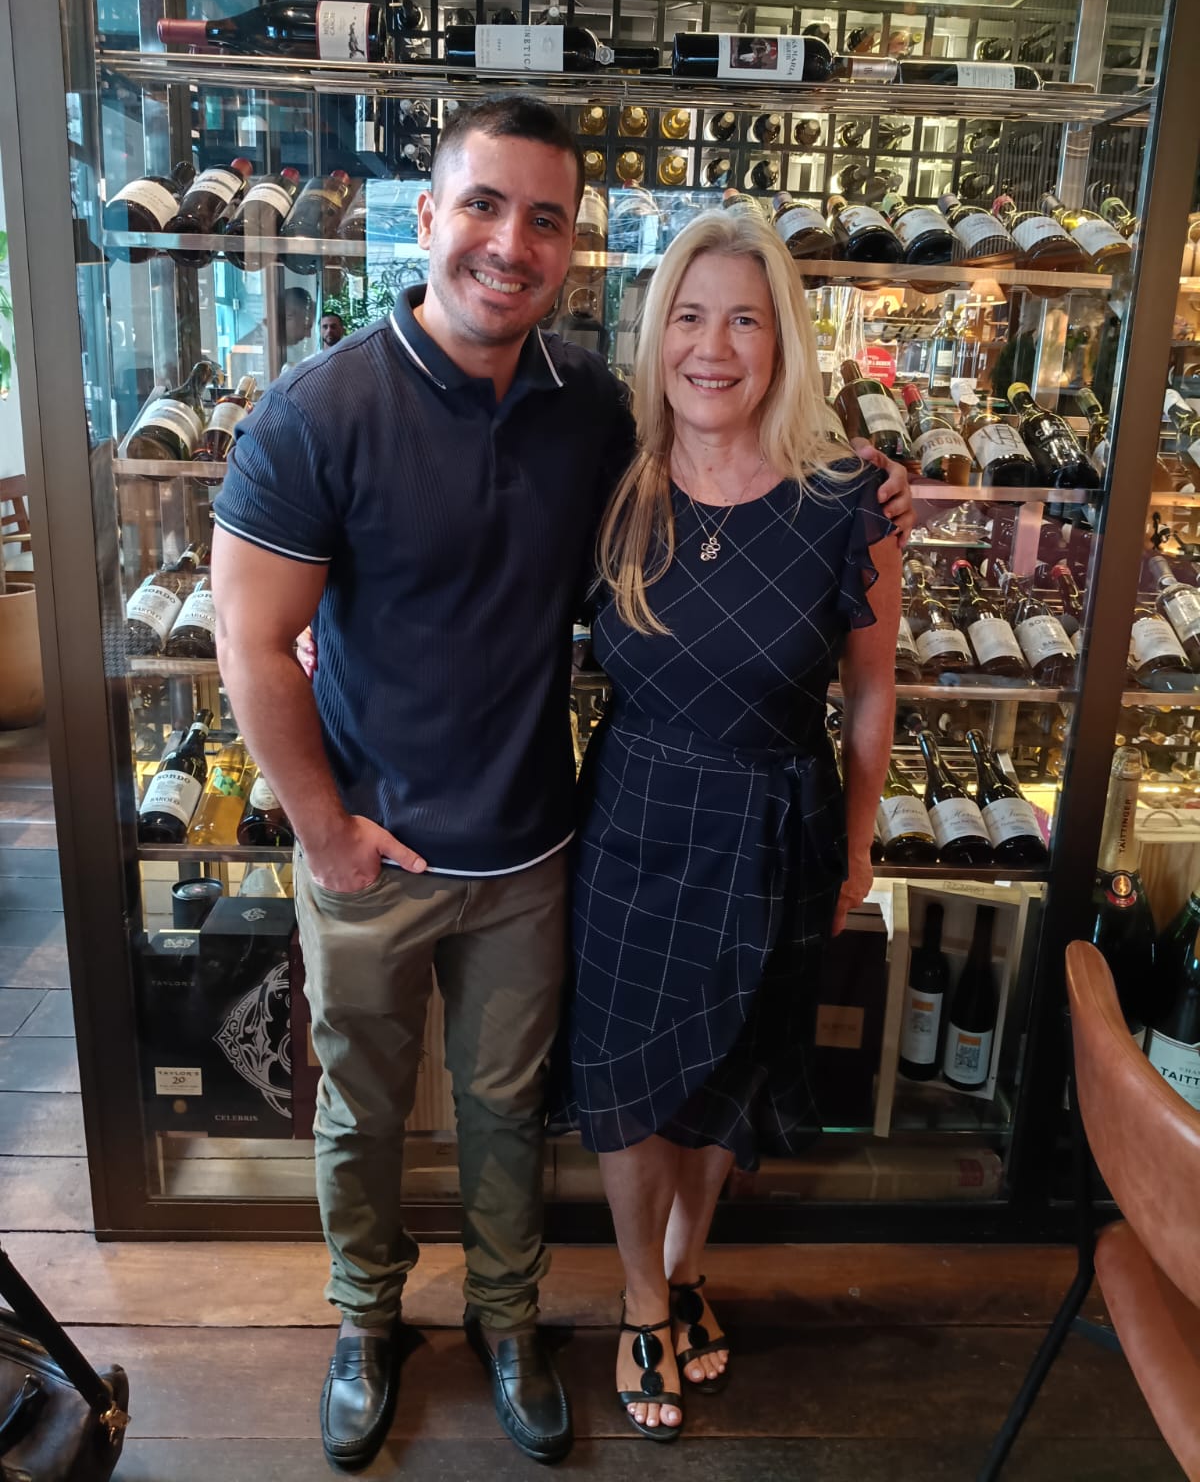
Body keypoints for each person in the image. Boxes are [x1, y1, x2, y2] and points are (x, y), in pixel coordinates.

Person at [210, 93, 913, 1471]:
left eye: (544, 219)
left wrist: (867, 476)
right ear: (428, 217)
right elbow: (248, 639)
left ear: (572, 248)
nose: (508, 242)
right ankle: (364, 1319)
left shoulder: (591, 408)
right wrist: (326, 831)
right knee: (360, 1107)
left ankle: (509, 1318)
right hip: (375, 846)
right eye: (482, 205)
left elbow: (736, 462)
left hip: (537, 845)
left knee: (509, 1111)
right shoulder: (321, 408)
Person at [562, 210, 901, 1440]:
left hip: (775, 823)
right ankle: (643, 1298)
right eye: (690, 318)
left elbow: (873, 693)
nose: (713, 348)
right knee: (631, 1083)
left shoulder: (849, 501)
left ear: (782, 340)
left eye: (744, 320)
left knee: (730, 1075)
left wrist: (855, 843)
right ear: (657, 336)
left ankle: (688, 1261)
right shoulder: (608, 488)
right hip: (636, 820)